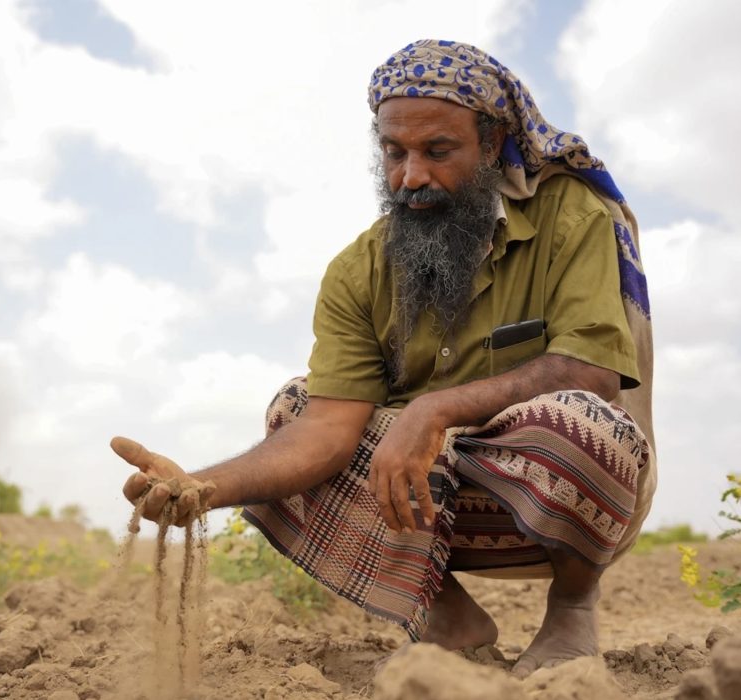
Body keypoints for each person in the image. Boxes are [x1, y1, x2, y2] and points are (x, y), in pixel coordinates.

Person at [113, 39, 656, 678]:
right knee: (294, 407)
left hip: (556, 502)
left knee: (589, 422)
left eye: (438, 152)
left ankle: (571, 610)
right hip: (421, 508)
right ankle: (446, 617)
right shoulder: (359, 269)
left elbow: (591, 371)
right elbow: (325, 431)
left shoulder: (571, 217)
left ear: (491, 144)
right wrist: (201, 489)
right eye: (394, 152)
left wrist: (433, 410)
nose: (411, 177)